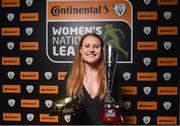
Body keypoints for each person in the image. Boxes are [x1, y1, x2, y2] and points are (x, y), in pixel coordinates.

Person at [60, 33, 122, 125]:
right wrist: (69, 109)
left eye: (96, 47)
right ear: (81, 50)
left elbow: (118, 107)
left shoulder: (111, 76)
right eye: (87, 46)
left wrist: (117, 118)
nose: (91, 50)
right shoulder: (70, 77)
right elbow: (64, 110)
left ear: (102, 51)